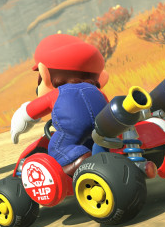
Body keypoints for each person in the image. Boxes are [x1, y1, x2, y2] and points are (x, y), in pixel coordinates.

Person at [10, 34, 109, 176]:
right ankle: (99, 155)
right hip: (101, 129)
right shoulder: (97, 92)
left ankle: (74, 162)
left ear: (45, 73)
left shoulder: (58, 93)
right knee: (94, 139)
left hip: (73, 132)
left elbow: (27, 113)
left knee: (58, 147)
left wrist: (17, 127)